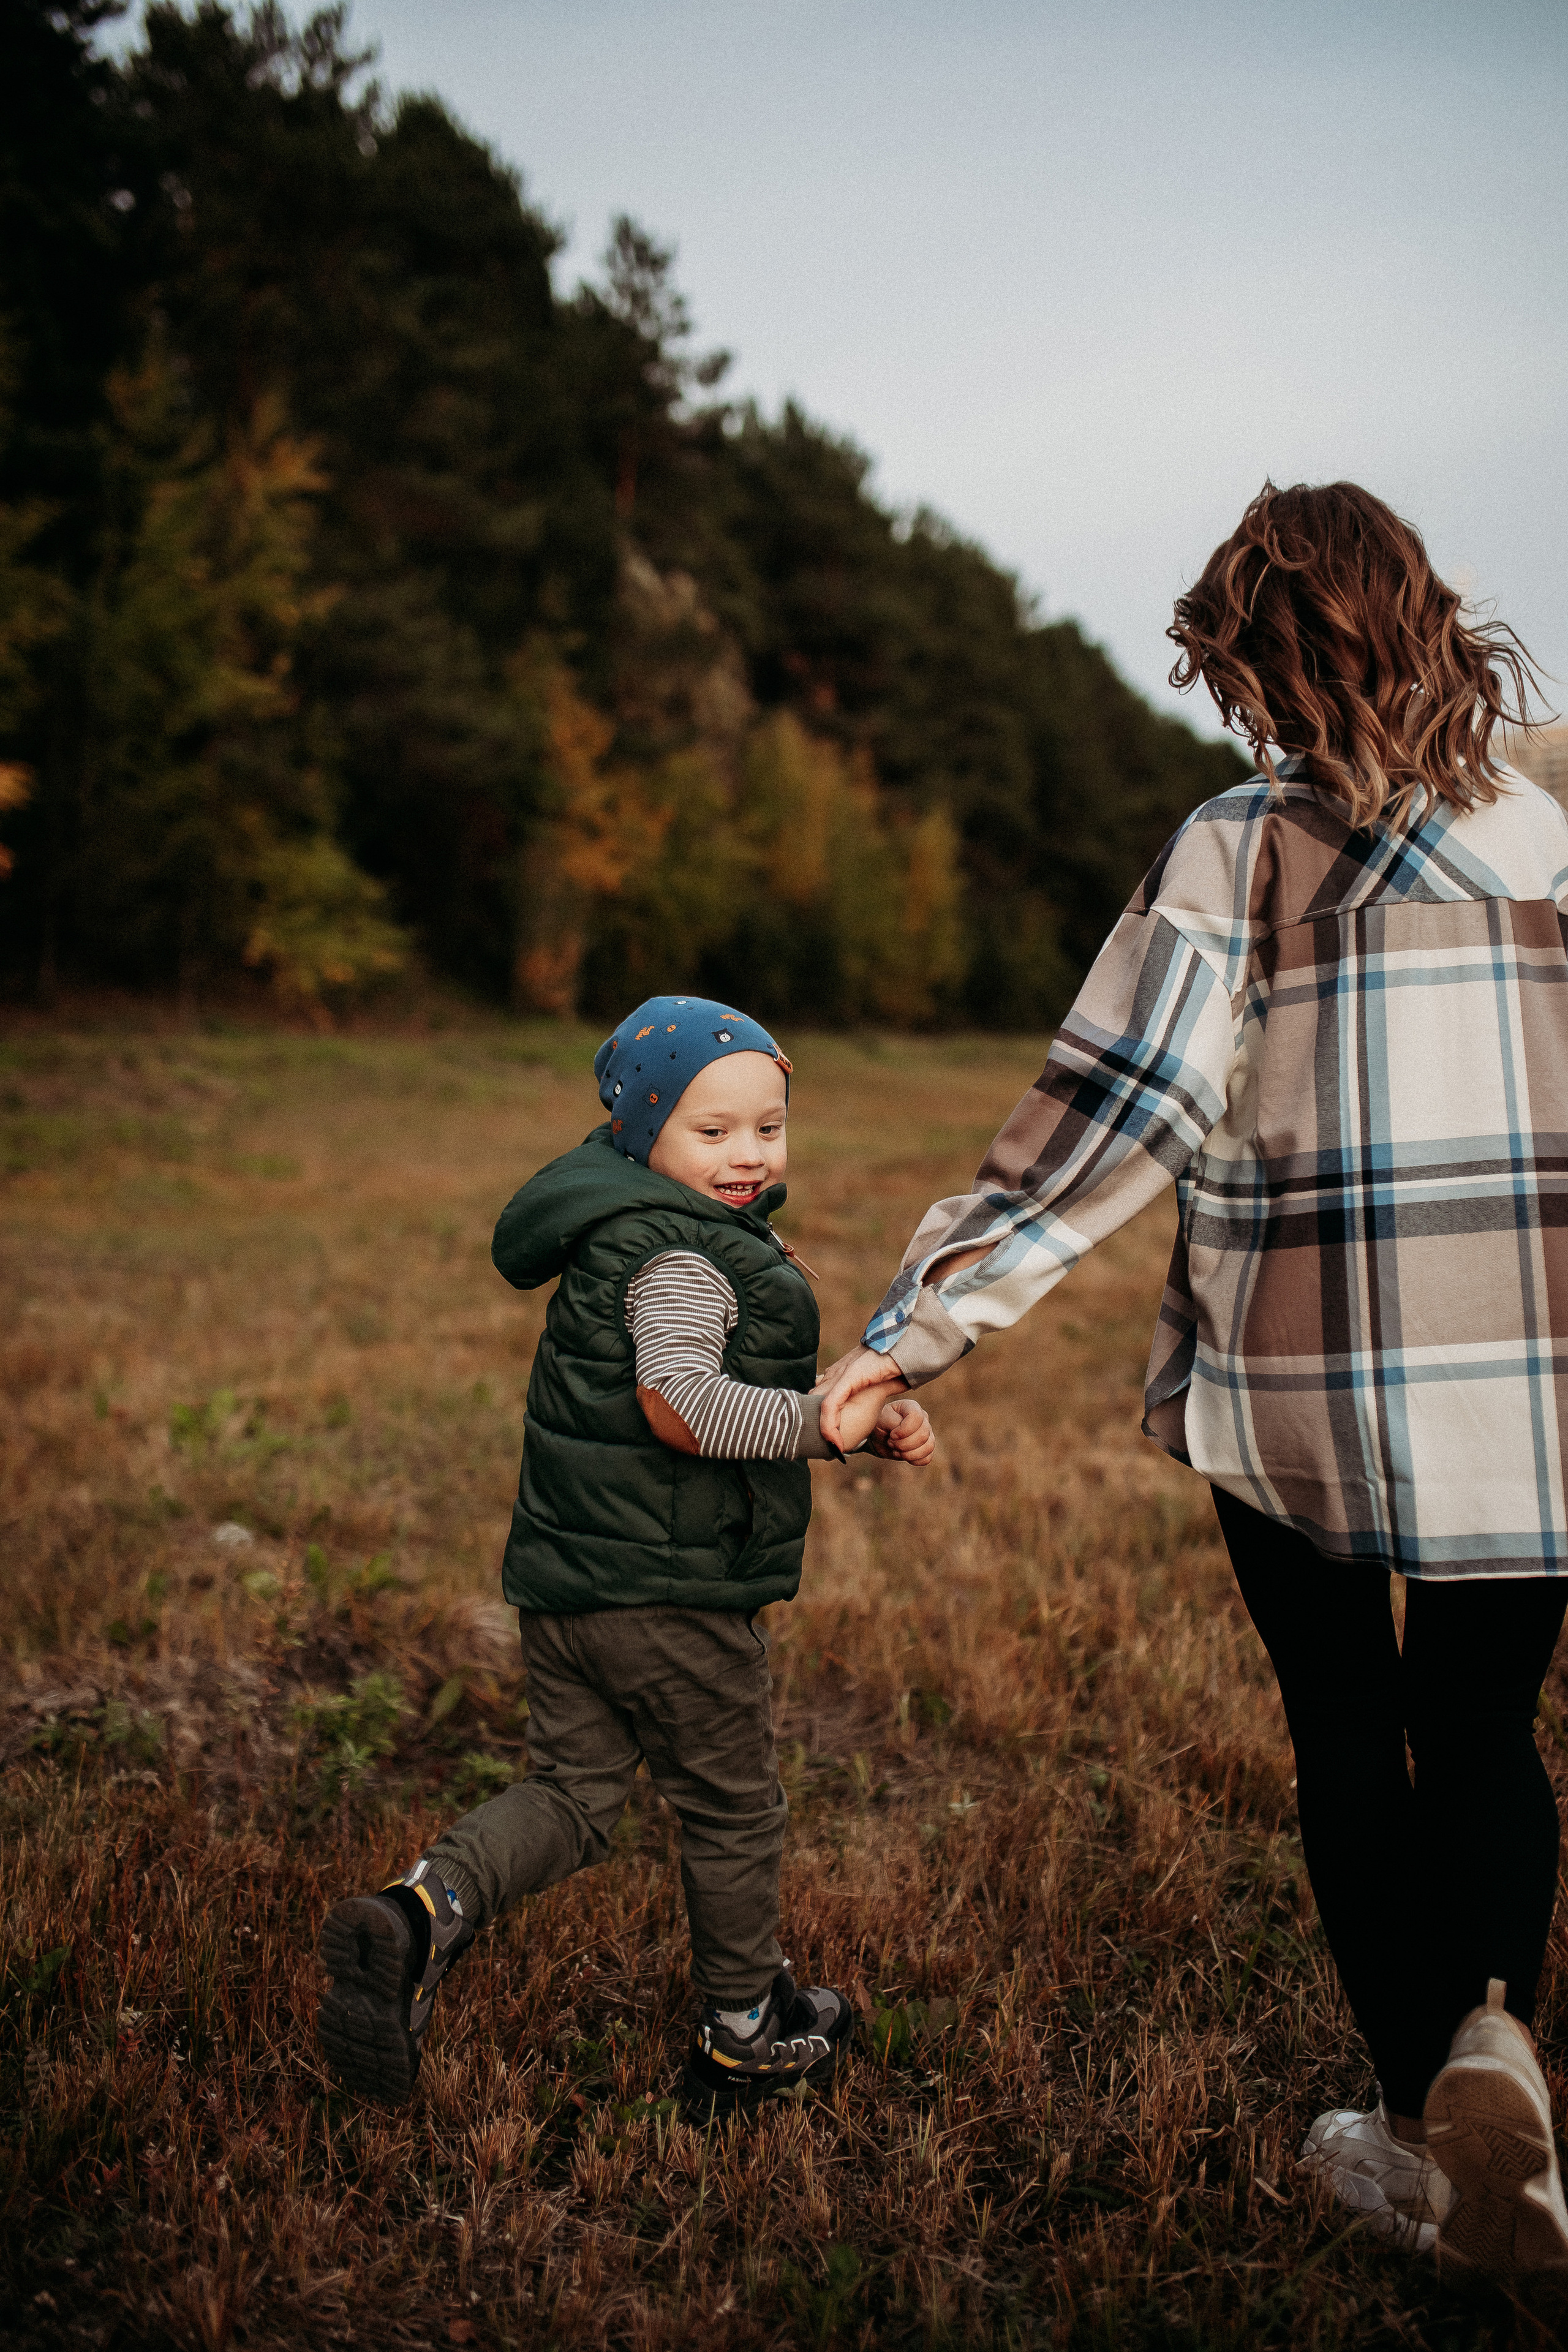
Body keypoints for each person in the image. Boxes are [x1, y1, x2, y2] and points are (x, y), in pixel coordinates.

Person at [816, 482, 1568, 2283]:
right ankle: (1491, 2061)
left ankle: (1416, 2143)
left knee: (1343, 1735)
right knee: (1479, 1730)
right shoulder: (1551, 844)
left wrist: (910, 1325)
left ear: (1255, 657)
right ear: (1430, 619)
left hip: (1299, 1406)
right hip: (1535, 1402)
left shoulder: (1243, 851)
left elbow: (1111, 1124)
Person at [315, 996, 934, 2121]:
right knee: (733, 1808)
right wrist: (819, 1423)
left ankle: (415, 1916)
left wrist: (843, 1428)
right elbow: (682, 1407)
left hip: (570, 1588)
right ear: (645, 1132)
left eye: (769, 1127)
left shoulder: (630, 1225)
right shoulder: (681, 1256)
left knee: (576, 1792)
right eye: (713, 1132)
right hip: (669, 1598)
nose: (748, 1154)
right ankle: (745, 2036)